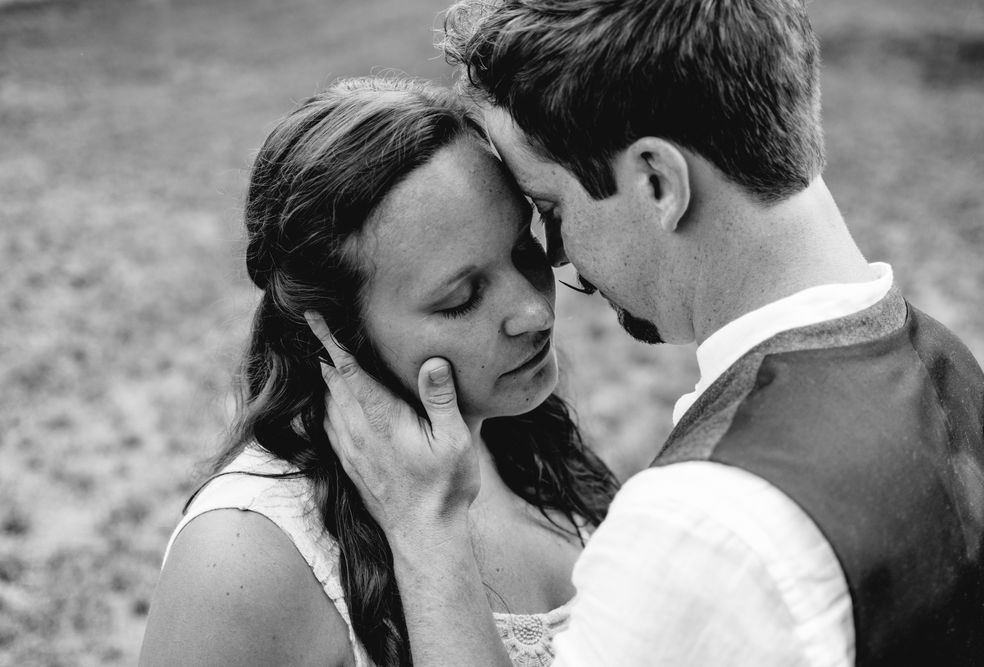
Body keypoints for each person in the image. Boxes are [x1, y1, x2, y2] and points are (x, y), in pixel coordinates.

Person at [314, 1, 984, 665]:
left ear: (658, 181)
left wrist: (425, 528)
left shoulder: (703, 525)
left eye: (552, 208)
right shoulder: (946, 366)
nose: (558, 258)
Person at [138, 76, 618, 667]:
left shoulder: (515, 427)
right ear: (339, 332)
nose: (535, 313)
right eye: (461, 300)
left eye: (524, 251)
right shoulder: (242, 556)